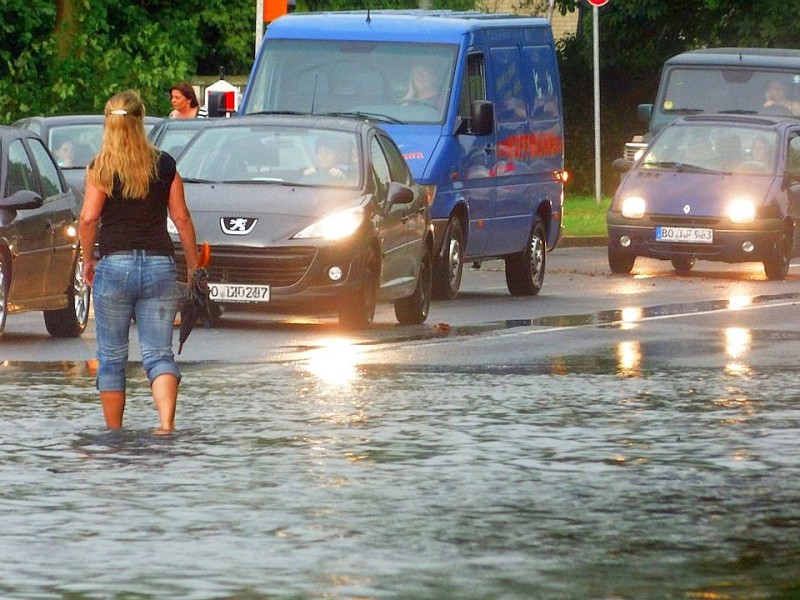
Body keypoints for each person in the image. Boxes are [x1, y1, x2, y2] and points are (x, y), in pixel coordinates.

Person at [79, 89, 200, 434]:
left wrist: (88, 260)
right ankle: (165, 425)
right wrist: (193, 266)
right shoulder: (164, 165)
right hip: (160, 265)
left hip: (114, 265)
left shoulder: (100, 167)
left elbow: (88, 219)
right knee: (159, 353)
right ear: (141, 120)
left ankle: (115, 434)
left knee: (113, 356)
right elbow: (183, 219)